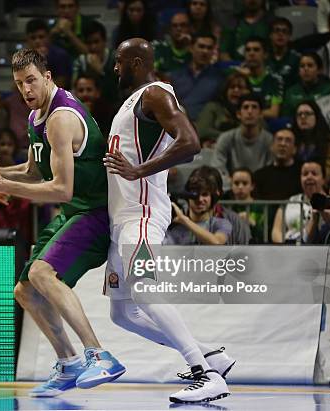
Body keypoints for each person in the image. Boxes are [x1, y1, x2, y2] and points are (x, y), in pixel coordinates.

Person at [0, 48, 125, 397]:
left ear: (48, 77)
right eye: (20, 84)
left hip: (93, 214)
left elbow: (62, 189)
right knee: (24, 291)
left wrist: (2, 186)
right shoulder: (37, 115)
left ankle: (99, 354)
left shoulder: (60, 118)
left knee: (40, 274)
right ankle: (69, 363)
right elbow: (36, 170)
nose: (26, 89)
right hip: (72, 214)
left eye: (31, 80)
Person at [102, 38, 231, 403]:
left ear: (138, 62)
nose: (115, 68)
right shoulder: (132, 102)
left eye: (119, 61)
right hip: (121, 220)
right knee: (122, 314)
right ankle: (211, 356)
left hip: (141, 215)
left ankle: (204, 374)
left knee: (144, 290)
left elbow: (190, 142)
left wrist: (138, 170)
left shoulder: (156, 93)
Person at [211, 94, 273, 177]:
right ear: (238, 114)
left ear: (261, 114)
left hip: (261, 188)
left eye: (254, 107)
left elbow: (272, 171)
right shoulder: (225, 138)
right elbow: (217, 168)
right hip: (232, 187)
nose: (250, 111)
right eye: (246, 107)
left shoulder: (270, 140)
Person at [168, 32, 224, 120]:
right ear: (191, 48)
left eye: (209, 48)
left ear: (213, 51)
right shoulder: (175, 76)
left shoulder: (219, 79)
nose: (205, 51)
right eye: (201, 46)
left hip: (203, 126)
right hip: (177, 123)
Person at [166, 171, 232, 245]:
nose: (200, 199)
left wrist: (184, 220)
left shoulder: (220, 224)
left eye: (205, 194)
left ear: (212, 198)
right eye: (195, 195)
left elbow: (217, 242)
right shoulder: (175, 227)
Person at [271, 160, 325, 243]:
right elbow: (276, 232)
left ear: (323, 179)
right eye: (305, 174)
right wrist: (287, 247)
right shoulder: (289, 202)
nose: (309, 177)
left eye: (314, 173)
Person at [195, 71, 250, 145]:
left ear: (248, 91)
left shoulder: (252, 111)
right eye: (232, 87)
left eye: (240, 88)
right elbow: (202, 131)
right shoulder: (212, 107)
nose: (236, 90)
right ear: (226, 90)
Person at [292, 101, 330, 177]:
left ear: (317, 117)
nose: (302, 117)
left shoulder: (328, 139)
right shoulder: (290, 138)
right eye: (299, 114)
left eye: (307, 114)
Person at [281, 52, 330, 118]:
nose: (306, 69)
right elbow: (286, 118)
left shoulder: (328, 91)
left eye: (310, 65)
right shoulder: (291, 92)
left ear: (319, 70)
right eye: (302, 66)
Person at [253, 127, 301, 201]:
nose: (283, 144)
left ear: (294, 149)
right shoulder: (259, 176)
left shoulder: (302, 175)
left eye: (288, 140)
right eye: (279, 139)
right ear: (271, 147)